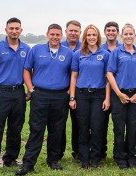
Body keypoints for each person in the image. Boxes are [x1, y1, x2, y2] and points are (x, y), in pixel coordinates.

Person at [15, 24, 73, 175]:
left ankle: (53, 160)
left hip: (60, 96)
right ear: (47, 34)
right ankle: (28, 163)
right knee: (36, 129)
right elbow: (26, 70)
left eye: (58, 35)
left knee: (57, 130)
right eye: (52, 34)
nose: (55, 37)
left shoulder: (68, 53)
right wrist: (31, 89)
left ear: (62, 36)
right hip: (40, 95)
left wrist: (68, 92)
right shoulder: (36, 50)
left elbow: (74, 75)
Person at [0, 17, 30, 176]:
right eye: (11, 28)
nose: (14, 31)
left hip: (18, 93)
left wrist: (30, 90)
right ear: (6, 30)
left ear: (21, 30)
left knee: (16, 128)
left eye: (17, 28)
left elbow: (29, 71)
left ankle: (10, 158)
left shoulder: (27, 49)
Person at [69, 24, 110, 169]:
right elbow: (74, 77)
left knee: (97, 127)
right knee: (83, 127)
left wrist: (107, 98)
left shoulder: (105, 54)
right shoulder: (78, 54)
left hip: (99, 95)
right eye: (89, 35)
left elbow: (107, 78)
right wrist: (72, 97)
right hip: (82, 95)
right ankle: (84, 159)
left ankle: (95, 159)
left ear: (98, 37)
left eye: (94, 35)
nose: (91, 37)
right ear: (85, 37)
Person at [107, 23, 136, 169]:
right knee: (119, 128)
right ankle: (120, 157)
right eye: (126, 34)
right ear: (122, 36)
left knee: (133, 128)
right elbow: (109, 73)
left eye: (131, 34)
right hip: (119, 94)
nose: (128, 37)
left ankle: (131, 157)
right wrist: (118, 93)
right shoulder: (116, 52)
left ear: (135, 36)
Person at [60, 20, 82, 160]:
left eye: (76, 31)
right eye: (71, 30)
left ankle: (78, 151)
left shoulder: (85, 47)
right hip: (60, 92)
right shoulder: (58, 46)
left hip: (78, 93)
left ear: (80, 32)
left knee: (78, 123)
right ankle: (58, 152)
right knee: (59, 123)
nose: (73, 33)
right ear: (66, 31)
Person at [100, 21, 122, 160]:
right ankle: (101, 153)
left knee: (119, 125)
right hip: (101, 93)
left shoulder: (124, 47)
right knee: (101, 124)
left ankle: (119, 153)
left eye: (114, 30)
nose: (111, 32)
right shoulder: (99, 49)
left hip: (120, 93)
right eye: (108, 30)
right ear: (105, 32)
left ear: (118, 33)